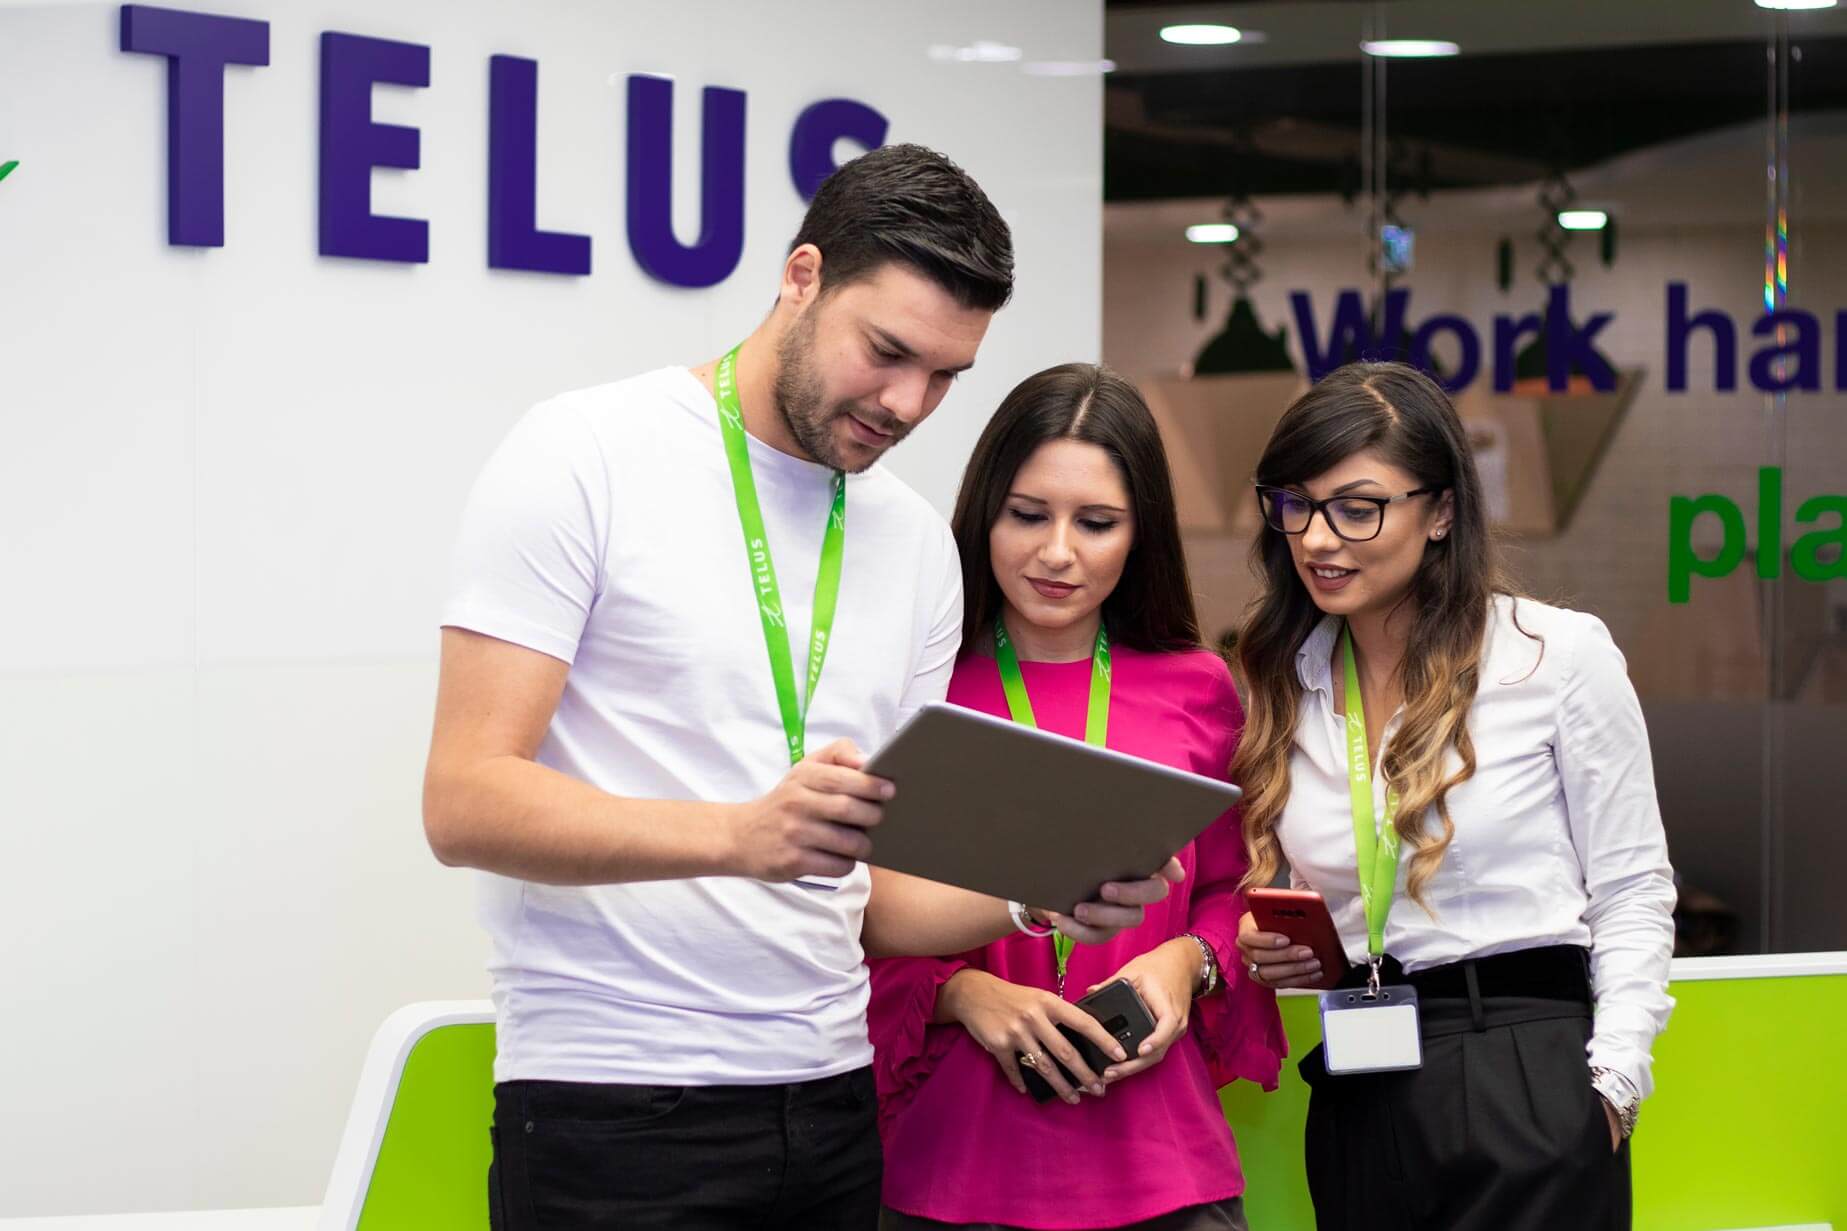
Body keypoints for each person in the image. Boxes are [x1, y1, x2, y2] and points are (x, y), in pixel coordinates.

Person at [421, 146, 1179, 1231]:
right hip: (611, 1099)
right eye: (887, 352)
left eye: (946, 375)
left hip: (832, 1101)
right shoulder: (582, 455)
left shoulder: (915, 544)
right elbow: (464, 800)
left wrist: (1033, 889)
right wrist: (739, 836)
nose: (908, 402)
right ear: (801, 275)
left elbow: (877, 897)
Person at [1231, 361, 1676, 1230]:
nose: (1318, 538)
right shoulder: (1290, 679)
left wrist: (1610, 1088)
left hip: (1523, 1063)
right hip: (1363, 1077)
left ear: (1439, 512)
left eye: (1357, 507)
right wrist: (1275, 948)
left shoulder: (1553, 654)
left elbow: (1632, 889)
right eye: (1294, 503)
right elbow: (1335, 897)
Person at [868, 364, 1285, 1231]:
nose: (1057, 552)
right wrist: (962, 994)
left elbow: (1233, 887)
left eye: (1096, 523)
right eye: (1027, 514)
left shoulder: (1198, 686)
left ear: (1140, 536)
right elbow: (847, 899)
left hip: (1160, 1158)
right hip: (956, 1155)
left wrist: (1185, 962)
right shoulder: (914, 682)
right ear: (984, 511)